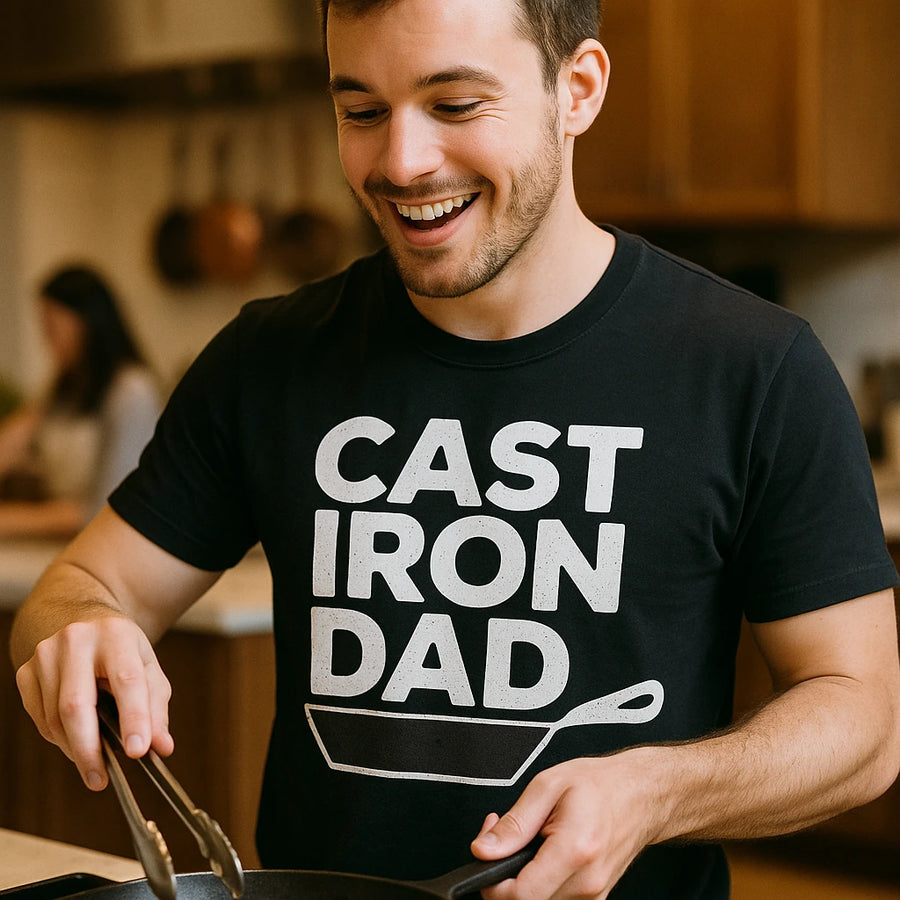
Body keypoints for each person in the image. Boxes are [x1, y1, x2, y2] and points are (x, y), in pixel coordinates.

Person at [10, 1, 900, 897]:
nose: (401, 162)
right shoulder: (268, 358)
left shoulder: (753, 368)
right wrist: (80, 632)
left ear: (577, 90)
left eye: (456, 104)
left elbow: (864, 720)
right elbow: (79, 588)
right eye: (362, 111)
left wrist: (657, 792)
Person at [0, 266, 160, 539]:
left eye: (52, 327)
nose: (47, 340)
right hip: (61, 538)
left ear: (87, 324)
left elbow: (105, 509)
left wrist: (9, 520)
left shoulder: (132, 392)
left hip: (105, 543)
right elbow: (12, 442)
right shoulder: (64, 389)